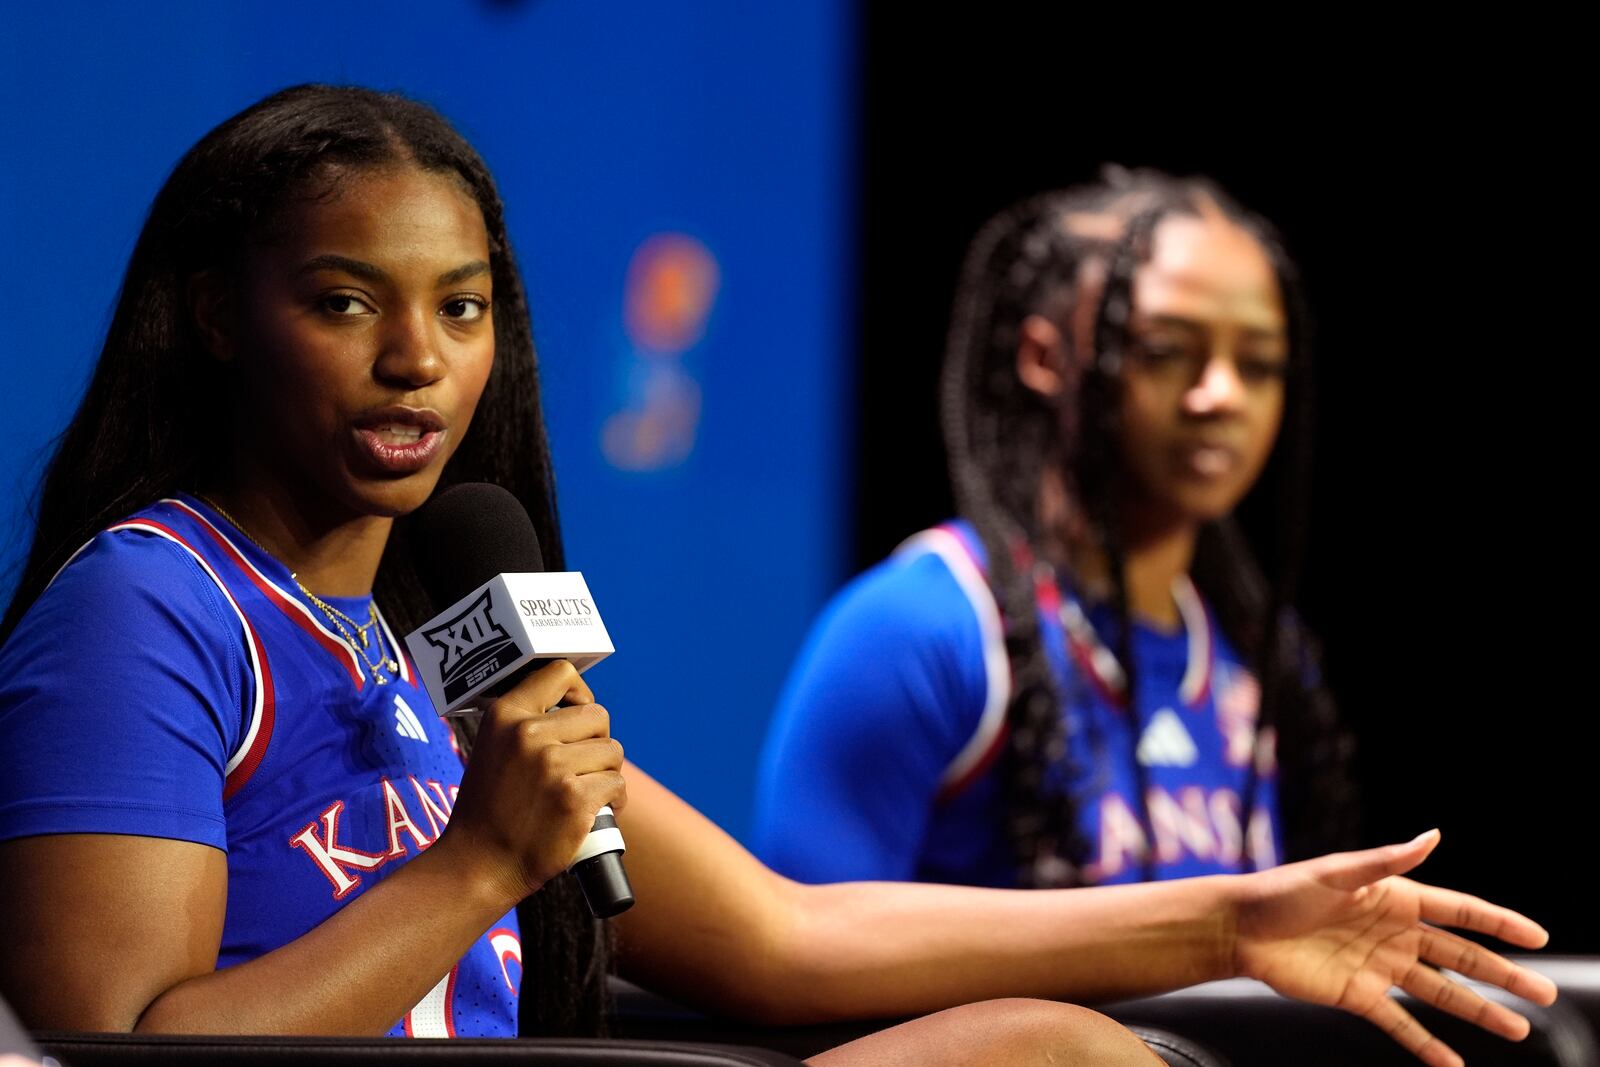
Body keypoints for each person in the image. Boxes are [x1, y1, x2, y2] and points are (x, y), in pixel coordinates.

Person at [0, 87, 1556, 1067]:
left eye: (462, 309)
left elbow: (784, 935)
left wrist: (1233, 922)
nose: (418, 358)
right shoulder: (146, 607)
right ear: (213, 315)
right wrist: (477, 865)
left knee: (1049, 1048)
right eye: (348, 302)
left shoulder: (440, 633)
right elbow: (111, 1048)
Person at [755, 171, 1356, 891]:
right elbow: (801, 961)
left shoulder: (1258, 654)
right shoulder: (919, 632)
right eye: (1166, 351)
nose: (1222, 395)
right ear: (1045, 359)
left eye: (1258, 365)